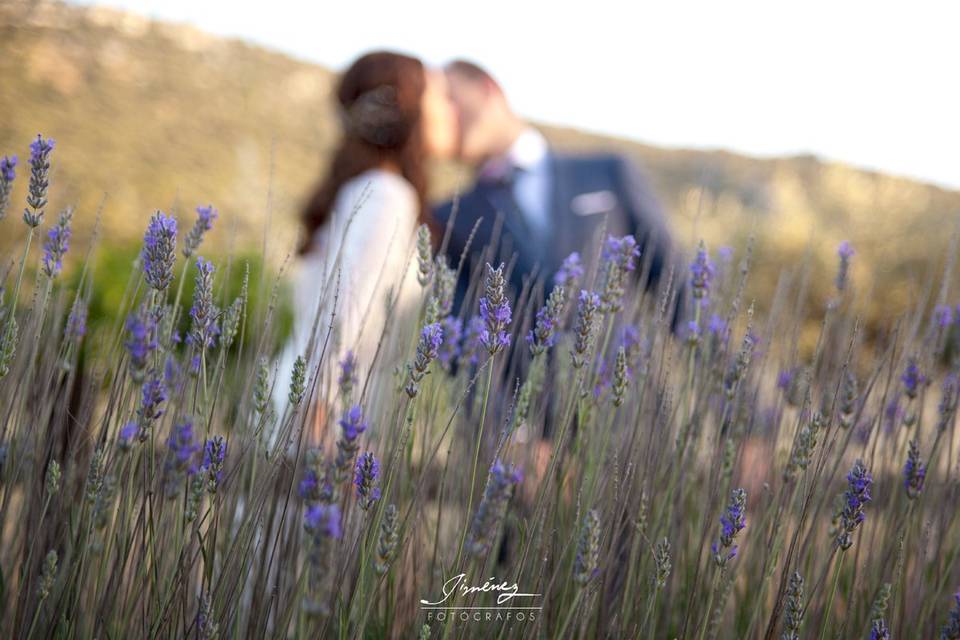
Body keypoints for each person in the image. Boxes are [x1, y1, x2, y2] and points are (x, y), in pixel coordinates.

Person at [273, 51, 457, 423]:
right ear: (412, 109)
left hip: (311, 408)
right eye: (440, 96)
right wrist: (324, 440)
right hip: (326, 421)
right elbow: (342, 321)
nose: (449, 108)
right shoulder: (386, 196)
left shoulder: (364, 189)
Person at [436, 60, 679, 316]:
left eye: (450, 99)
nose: (442, 116)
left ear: (488, 89)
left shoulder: (609, 172)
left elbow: (674, 282)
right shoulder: (450, 216)